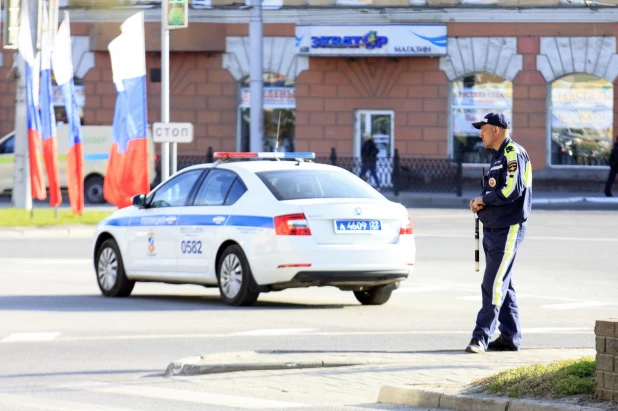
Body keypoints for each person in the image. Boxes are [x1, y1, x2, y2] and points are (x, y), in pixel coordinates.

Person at [466, 112, 532, 354]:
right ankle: (510, 336)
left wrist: (483, 199)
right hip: (493, 228)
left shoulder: (513, 153)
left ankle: (480, 336)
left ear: (496, 130)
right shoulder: (498, 156)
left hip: (508, 228)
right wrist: (480, 203)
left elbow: (511, 190)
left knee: (492, 283)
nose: (480, 133)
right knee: (504, 284)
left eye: (482, 128)